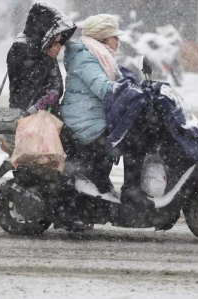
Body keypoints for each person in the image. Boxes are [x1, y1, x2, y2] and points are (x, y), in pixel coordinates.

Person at [4, 2, 86, 232]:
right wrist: (41, 100)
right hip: (33, 119)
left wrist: (52, 94)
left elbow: (55, 82)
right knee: (61, 162)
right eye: (57, 39)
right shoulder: (24, 49)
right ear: (45, 31)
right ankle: (63, 211)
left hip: (47, 116)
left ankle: (72, 206)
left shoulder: (40, 50)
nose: (59, 45)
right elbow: (26, 86)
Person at [60, 14, 154, 207]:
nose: (118, 41)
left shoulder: (99, 56)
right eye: (114, 36)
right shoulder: (85, 58)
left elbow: (118, 82)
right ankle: (131, 191)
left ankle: (107, 184)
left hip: (93, 118)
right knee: (135, 138)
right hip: (85, 124)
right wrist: (129, 91)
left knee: (138, 130)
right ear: (102, 38)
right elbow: (105, 89)